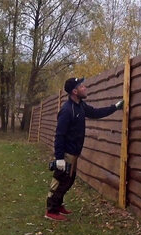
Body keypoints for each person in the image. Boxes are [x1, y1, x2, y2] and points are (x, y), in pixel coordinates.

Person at [45, 77, 123, 221]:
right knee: (60, 180)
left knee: (69, 180)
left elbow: (96, 113)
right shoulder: (67, 110)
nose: (85, 87)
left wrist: (115, 107)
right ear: (75, 91)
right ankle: (51, 210)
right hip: (67, 153)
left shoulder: (81, 106)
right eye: (82, 86)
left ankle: (58, 204)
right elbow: (59, 135)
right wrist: (60, 158)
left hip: (74, 153)